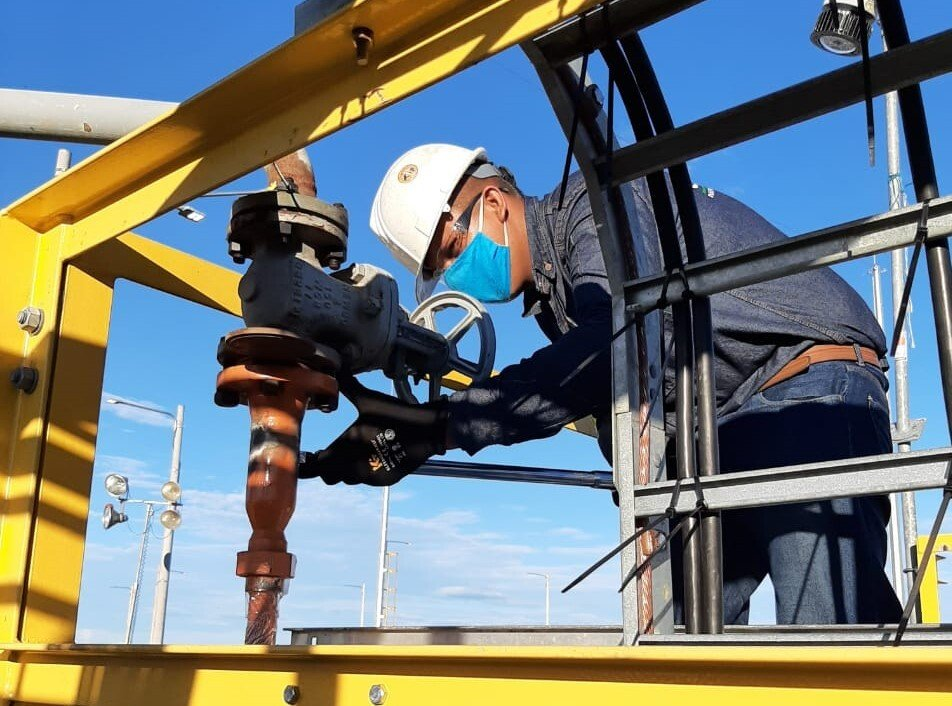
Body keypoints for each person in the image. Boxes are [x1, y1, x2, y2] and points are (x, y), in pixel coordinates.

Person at [299, 143, 902, 625]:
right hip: (729, 419)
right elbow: (614, 390)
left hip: (810, 382)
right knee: (691, 633)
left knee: (824, 630)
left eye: (452, 247)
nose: (457, 272)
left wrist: (441, 425)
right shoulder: (560, 297)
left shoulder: (596, 203)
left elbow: (608, 353)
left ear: (493, 201)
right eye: (439, 269)